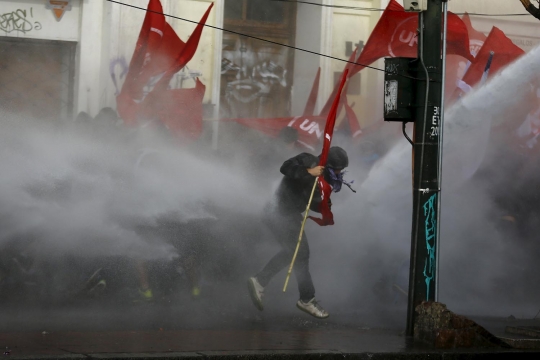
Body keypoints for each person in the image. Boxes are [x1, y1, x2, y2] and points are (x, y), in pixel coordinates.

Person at [247, 146, 350, 319]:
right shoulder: (309, 160)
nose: (340, 173)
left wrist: (323, 207)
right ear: (330, 164)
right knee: (299, 252)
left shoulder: (323, 180)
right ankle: (306, 299)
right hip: (277, 212)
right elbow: (286, 167)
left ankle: (261, 281)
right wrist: (309, 171)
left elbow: (312, 202)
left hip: (290, 216)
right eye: (338, 169)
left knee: (294, 252)